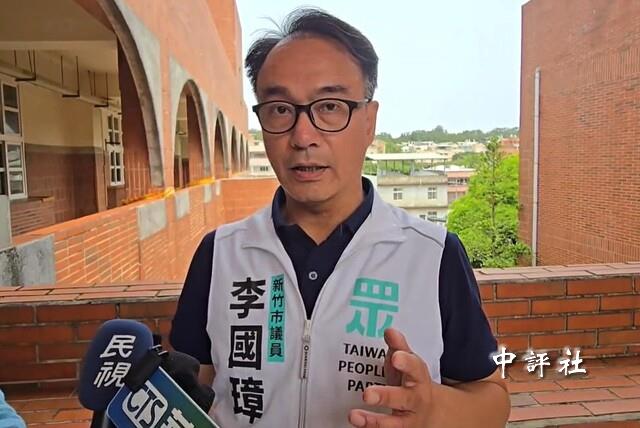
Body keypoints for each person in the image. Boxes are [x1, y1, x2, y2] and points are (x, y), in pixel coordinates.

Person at [171, 8, 509, 427]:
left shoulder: (433, 255)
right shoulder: (220, 253)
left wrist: (434, 411)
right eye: (279, 109)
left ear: (369, 121)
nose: (302, 136)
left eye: (330, 106)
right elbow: (190, 389)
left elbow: (492, 398)